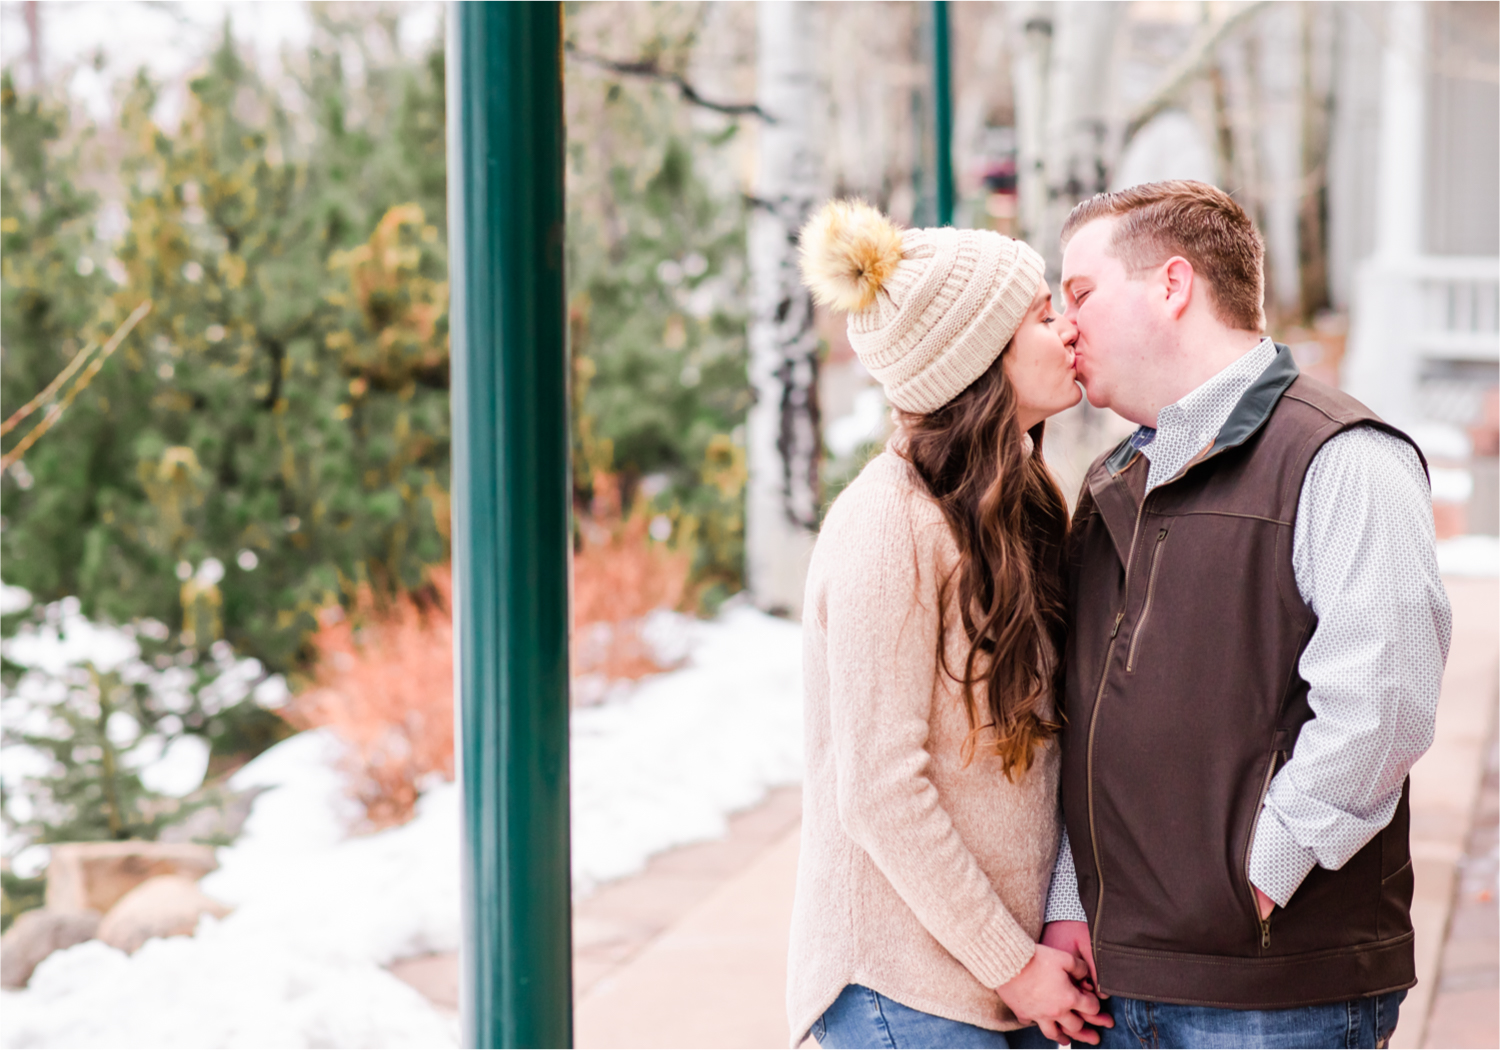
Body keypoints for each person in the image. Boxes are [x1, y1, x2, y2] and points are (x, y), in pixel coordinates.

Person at [1038, 180, 1451, 1050]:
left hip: (1274, 993)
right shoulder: (1113, 481)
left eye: (1080, 294)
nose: (1065, 326)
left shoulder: (1342, 458)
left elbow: (1384, 703)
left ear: (1172, 286)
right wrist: (1074, 903)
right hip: (1121, 982)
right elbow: (1089, 720)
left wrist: (1258, 876)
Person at [786, 199, 1113, 1049]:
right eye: (1044, 317)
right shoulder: (887, 528)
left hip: (993, 977)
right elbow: (881, 790)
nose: (1068, 329)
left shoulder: (1019, 507)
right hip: (902, 986)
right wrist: (1014, 964)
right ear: (979, 363)